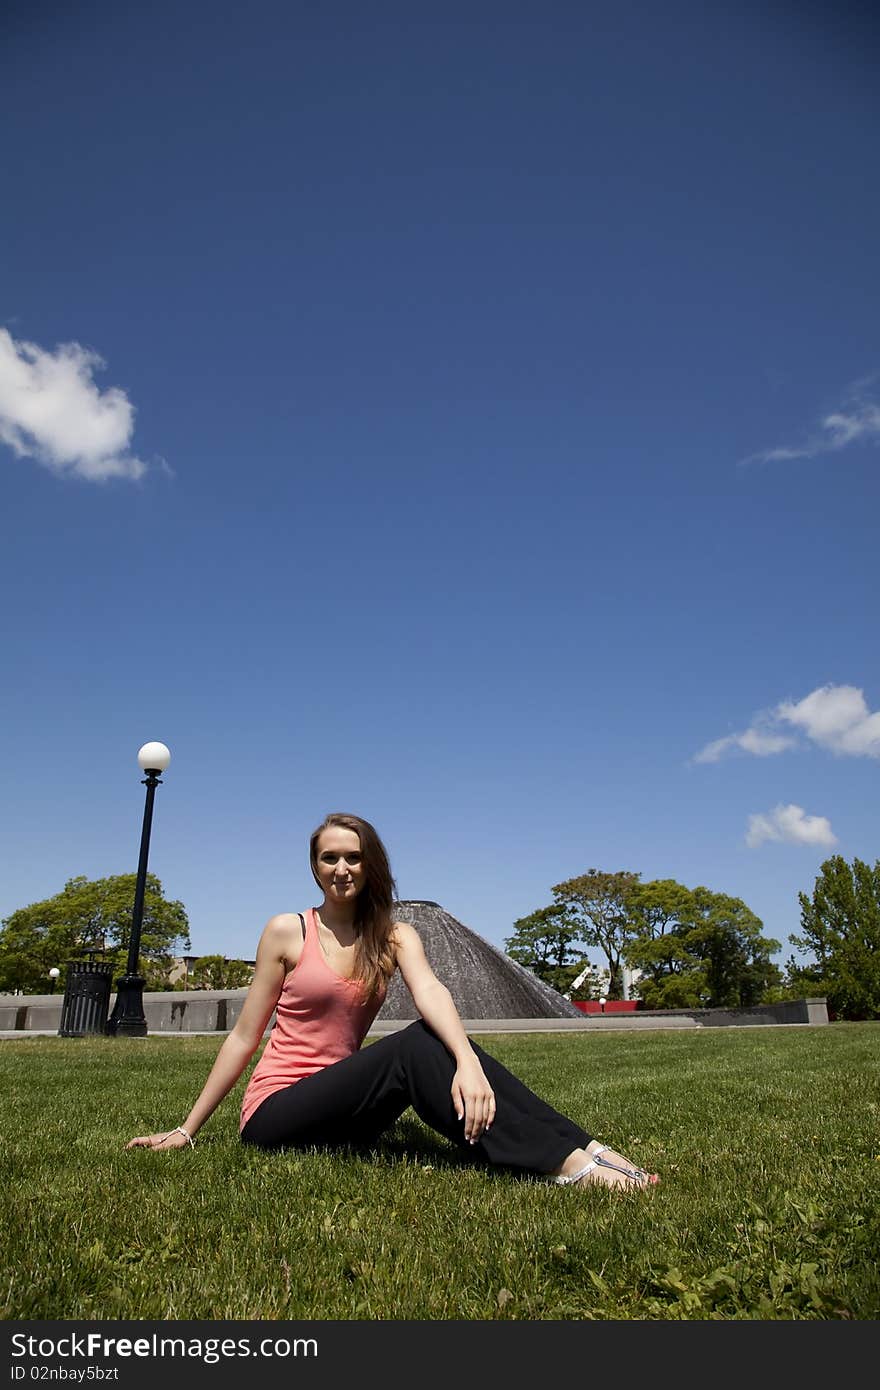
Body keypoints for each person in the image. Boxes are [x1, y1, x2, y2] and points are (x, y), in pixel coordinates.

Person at [126, 812, 658, 1191]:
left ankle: (586, 1147)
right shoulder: (288, 932)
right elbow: (245, 1036)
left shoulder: (395, 936)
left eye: (353, 858)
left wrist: (468, 1061)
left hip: (350, 1113)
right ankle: (564, 1166)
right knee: (412, 1048)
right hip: (279, 1113)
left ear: (370, 866)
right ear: (314, 868)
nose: (341, 869)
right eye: (329, 858)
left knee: (437, 1042)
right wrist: (186, 1129)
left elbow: (431, 992)